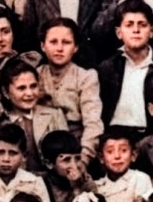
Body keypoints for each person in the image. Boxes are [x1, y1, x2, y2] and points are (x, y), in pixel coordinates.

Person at [96, 0, 153, 132]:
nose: (136, 30)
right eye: (129, 25)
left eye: (142, 25)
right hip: (113, 135)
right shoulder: (107, 68)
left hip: (149, 135)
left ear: (151, 32)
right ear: (119, 33)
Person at [0, 57, 68, 172]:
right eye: (21, 88)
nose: (29, 93)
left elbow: (67, 156)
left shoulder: (54, 116)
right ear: (5, 92)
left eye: (33, 86)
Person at [36, 18, 104, 164]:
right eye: (53, 42)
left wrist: (83, 159)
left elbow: (93, 123)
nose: (59, 48)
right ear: (43, 46)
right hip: (40, 146)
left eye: (66, 42)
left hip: (75, 147)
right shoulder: (36, 75)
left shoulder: (86, 77)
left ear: (75, 47)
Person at [94, 127, 153, 202]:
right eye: (110, 151)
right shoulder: (97, 185)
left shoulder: (140, 179)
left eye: (123, 150)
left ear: (133, 155)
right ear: (101, 158)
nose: (117, 156)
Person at [39, 130, 97, 202]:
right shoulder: (40, 183)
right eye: (66, 160)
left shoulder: (85, 180)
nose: (74, 165)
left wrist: (76, 188)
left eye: (77, 158)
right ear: (49, 164)